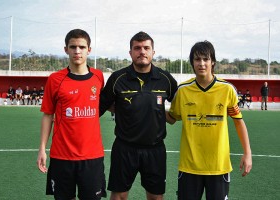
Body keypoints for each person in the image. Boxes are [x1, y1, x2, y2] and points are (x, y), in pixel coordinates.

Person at [168, 41, 252, 200]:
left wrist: (247, 153)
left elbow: (238, 122)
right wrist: (151, 106)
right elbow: (172, 118)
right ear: (192, 62)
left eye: (205, 59)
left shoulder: (227, 89)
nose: (201, 63)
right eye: (197, 59)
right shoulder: (183, 90)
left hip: (218, 166)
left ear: (212, 61)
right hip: (189, 166)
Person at [100, 31, 178, 200]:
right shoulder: (117, 78)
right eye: (137, 48)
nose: (142, 51)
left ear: (153, 52)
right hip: (124, 148)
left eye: (146, 48)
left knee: (156, 197)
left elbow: (179, 105)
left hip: (155, 149)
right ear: (130, 53)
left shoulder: (165, 79)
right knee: (119, 195)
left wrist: (162, 113)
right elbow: (101, 104)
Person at [36, 29, 106, 200]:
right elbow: (47, 115)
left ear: (89, 50)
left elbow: (105, 104)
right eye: (73, 47)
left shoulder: (98, 76)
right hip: (61, 156)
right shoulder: (55, 79)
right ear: (66, 49)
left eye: (82, 47)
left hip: (92, 156)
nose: (77, 51)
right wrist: (42, 149)